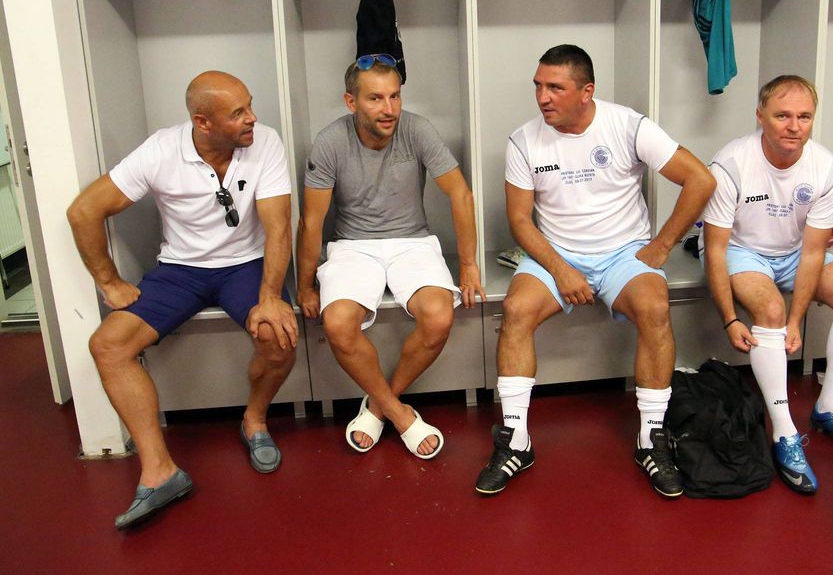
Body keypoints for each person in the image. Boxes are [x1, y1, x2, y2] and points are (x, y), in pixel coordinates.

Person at [474, 44, 716, 498]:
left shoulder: (628, 125)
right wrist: (561, 269)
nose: (542, 97)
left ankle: (651, 438)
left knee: (655, 308)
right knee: (517, 310)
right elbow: (520, 221)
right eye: (538, 86)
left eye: (555, 88)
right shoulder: (523, 140)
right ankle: (515, 440)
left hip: (623, 252)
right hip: (556, 253)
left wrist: (662, 246)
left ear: (586, 92)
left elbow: (701, 179)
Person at [66, 71, 298, 528]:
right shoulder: (161, 149)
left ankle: (254, 421)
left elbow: (278, 226)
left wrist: (271, 296)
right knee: (108, 346)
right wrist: (109, 281)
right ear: (202, 122)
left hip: (245, 266)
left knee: (278, 337)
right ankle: (161, 472)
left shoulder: (265, 142)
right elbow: (84, 210)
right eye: (238, 112)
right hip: (181, 270)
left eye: (250, 105)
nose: (252, 118)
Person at [297, 53, 485, 460]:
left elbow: (460, 194)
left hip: (412, 241)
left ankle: (381, 406)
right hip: (352, 245)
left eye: (395, 96)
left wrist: (469, 265)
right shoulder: (330, 141)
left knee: (439, 316)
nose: (389, 109)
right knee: (337, 323)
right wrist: (305, 284)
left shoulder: (416, 129)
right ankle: (401, 415)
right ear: (351, 102)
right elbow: (311, 220)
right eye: (376, 99)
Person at [700, 74, 833, 495]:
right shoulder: (730, 164)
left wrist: (798, 321)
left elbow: (813, 252)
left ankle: (828, 407)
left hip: (795, 252)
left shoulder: (826, 168)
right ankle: (783, 431)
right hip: (742, 250)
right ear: (760, 116)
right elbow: (716, 250)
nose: (794, 126)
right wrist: (729, 319)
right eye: (782, 116)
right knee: (770, 309)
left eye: (804, 117)